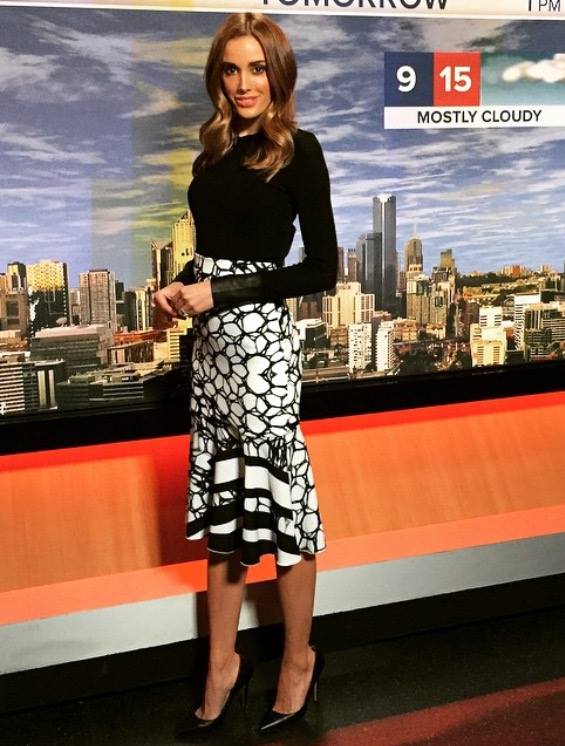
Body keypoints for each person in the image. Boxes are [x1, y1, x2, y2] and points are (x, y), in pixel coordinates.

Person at [152, 11, 336, 737]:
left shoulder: (299, 150)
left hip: (260, 351)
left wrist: (219, 293)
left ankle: (298, 661)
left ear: (278, 74)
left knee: (284, 514)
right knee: (225, 517)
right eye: (230, 69)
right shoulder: (212, 154)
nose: (242, 83)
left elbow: (320, 270)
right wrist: (179, 284)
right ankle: (222, 665)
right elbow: (214, 251)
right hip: (212, 356)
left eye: (257, 68)